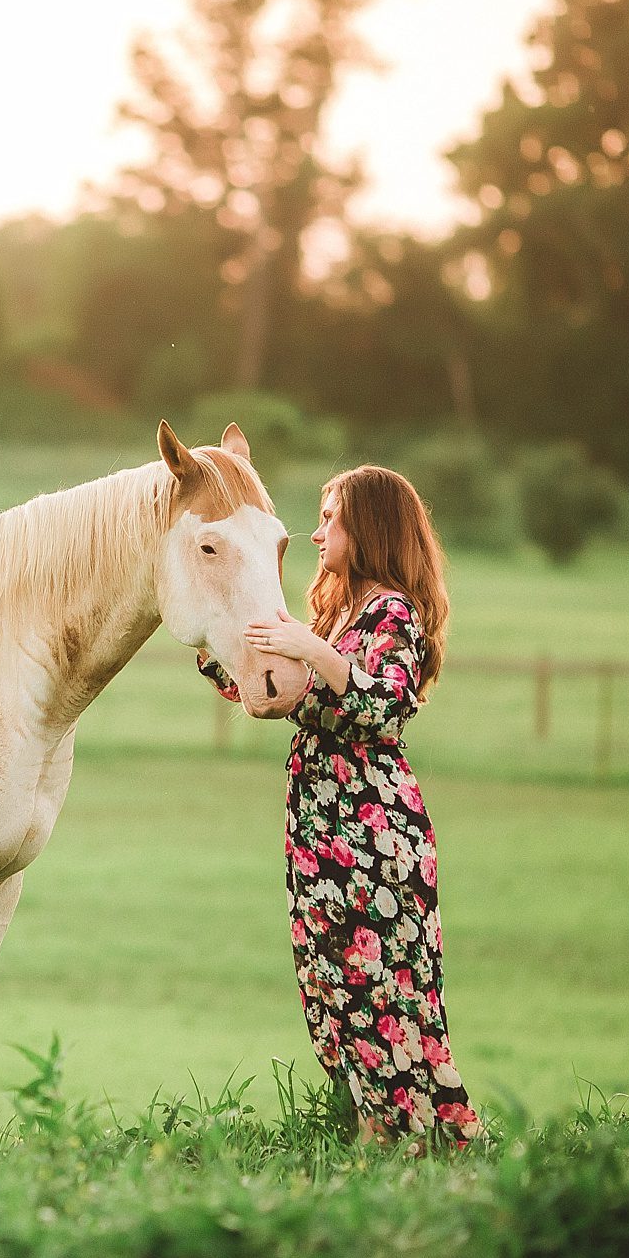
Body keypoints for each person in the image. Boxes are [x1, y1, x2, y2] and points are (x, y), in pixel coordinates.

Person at [201, 465, 482, 1147]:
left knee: (382, 988)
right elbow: (276, 691)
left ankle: (425, 1138)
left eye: (332, 518)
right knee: (332, 984)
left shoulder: (393, 611)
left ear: (371, 528)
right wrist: (215, 637)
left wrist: (311, 647)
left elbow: (385, 704)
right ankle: (371, 1131)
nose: (318, 530)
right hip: (320, 830)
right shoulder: (340, 612)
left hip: (372, 833)